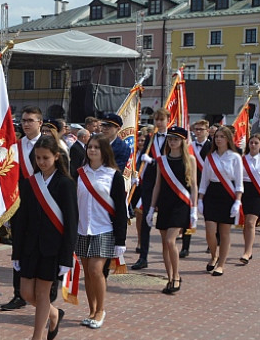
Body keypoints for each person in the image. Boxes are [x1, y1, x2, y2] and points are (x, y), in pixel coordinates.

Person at [11, 135, 76, 340]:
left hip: (52, 249)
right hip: (29, 247)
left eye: (46, 158)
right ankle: (54, 313)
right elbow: (21, 220)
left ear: (56, 157)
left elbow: (71, 222)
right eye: (38, 158)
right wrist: (16, 251)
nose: (41, 162)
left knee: (41, 293)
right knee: (26, 292)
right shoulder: (30, 183)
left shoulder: (66, 183)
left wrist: (67, 258)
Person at [75, 135, 127, 327]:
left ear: (104, 151)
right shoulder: (80, 173)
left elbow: (121, 210)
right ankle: (91, 310)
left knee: (97, 271)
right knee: (87, 273)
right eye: (90, 147)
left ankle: (100, 310)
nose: (92, 150)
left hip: (104, 228)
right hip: (82, 229)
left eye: (97, 147)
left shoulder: (113, 175)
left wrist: (120, 241)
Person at [0, 106, 44, 312]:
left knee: (40, 248)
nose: (26, 124)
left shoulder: (50, 145)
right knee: (18, 248)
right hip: (19, 206)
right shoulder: (14, 147)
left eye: (30, 120)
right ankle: (18, 294)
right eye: (24, 120)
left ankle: (43, 292)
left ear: (40, 123)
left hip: (43, 207)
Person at [147, 126, 197, 294]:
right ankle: (169, 277)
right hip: (165, 203)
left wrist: (194, 209)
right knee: (164, 244)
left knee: (170, 241)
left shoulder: (190, 159)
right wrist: (151, 208)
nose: (172, 141)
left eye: (176, 139)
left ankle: (176, 276)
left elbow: (194, 186)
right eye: (170, 138)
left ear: (182, 141)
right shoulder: (162, 160)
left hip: (181, 204)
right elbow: (157, 185)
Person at [197, 125, 243, 275]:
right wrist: (200, 199)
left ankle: (221, 264)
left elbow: (239, 182)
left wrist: (237, 201)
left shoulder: (235, 157)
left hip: (227, 195)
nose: (218, 139)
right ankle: (213, 255)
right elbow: (204, 180)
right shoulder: (210, 157)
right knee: (210, 230)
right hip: (212, 193)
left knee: (224, 233)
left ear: (228, 139)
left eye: (222, 137)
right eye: (217, 136)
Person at [131, 108, 171, 270]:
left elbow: (170, 160)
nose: (159, 123)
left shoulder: (172, 138)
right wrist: (137, 174)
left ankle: (167, 254)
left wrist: (154, 162)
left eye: (162, 119)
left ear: (168, 119)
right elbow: (142, 158)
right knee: (146, 221)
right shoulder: (150, 137)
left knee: (165, 222)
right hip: (148, 184)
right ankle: (143, 257)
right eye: (156, 120)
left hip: (166, 184)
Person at [237, 134, 260, 264]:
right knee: (245, 224)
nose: (253, 145)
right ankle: (247, 248)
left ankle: (247, 251)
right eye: (251, 142)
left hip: (257, 192)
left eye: (256, 143)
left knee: (251, 223)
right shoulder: (241, 159)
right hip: (244, 191)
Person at [181, 119, 212, 257]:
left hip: (209, 185)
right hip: (192, 184)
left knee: (209, 217)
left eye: (201, 129)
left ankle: (212, 243)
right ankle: (185, 247)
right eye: (196, 129)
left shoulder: (212, 146)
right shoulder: (189, 147)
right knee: (188, 216)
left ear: (207, 130)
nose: (198, 132)